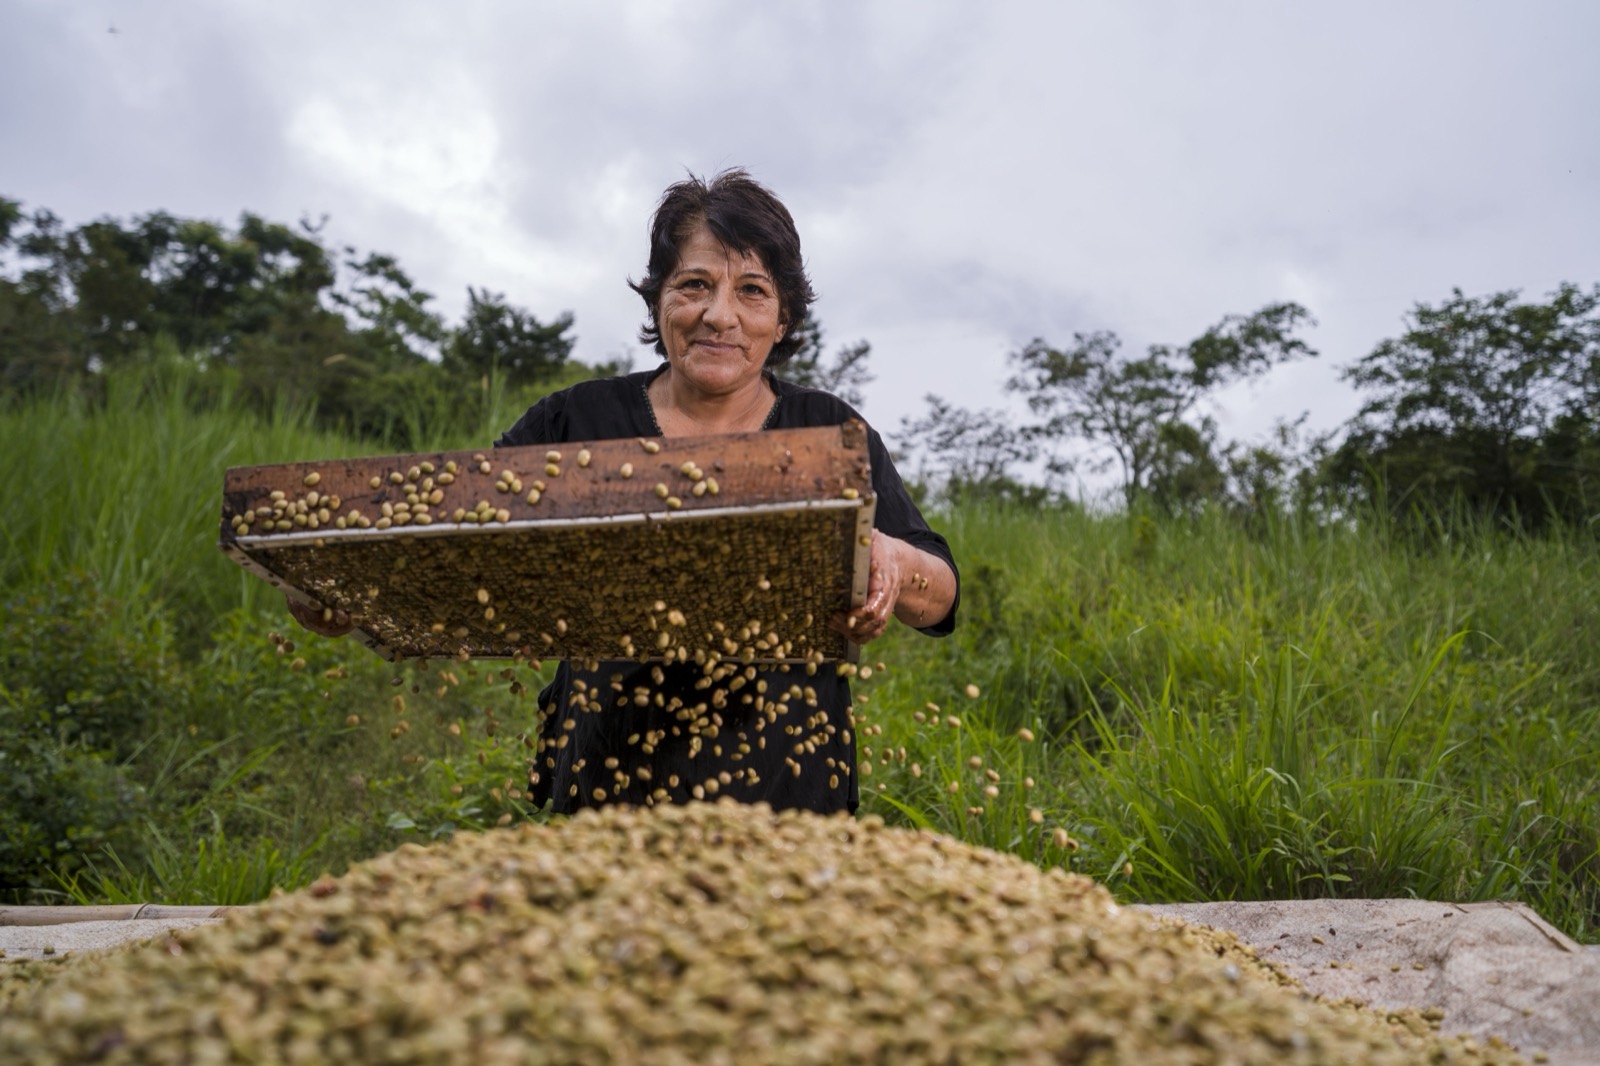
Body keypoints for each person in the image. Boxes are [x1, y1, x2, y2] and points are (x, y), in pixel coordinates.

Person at [293, 169, 959, 815]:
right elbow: (453, 536)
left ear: (783, 318)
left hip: (789, 790)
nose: (719, 315)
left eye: (752, 291)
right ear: (659, 298)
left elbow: (941, 594)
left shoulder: (829, 433)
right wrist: (345, 585)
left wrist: (894, 563)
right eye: (693, 284)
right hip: (604, 781)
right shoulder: (576, 423)